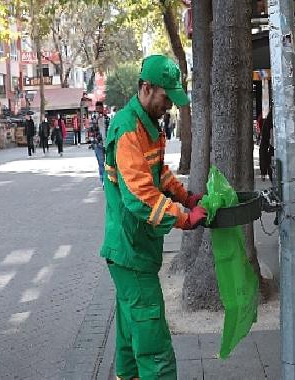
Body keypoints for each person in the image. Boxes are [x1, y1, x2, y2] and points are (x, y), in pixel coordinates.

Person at [101, 54, 207, 380]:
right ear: (146, 88)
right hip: (130, 252)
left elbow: (159, 176)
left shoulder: (149, 129)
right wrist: (184, 218)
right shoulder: (128, 131)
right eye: (166, 98)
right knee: (154, 344)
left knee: (130, 332)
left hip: (134, 251)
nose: (170, 106)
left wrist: (187, 196)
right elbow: (140, 197)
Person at [259, 109, 273, 183]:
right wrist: (263, 170)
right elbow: (263, 146)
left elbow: (263, 146)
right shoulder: (270, 120)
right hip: (273, 159)